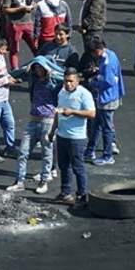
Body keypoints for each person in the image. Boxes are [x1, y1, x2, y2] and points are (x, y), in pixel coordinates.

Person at [8, 56, 62, 194]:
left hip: (48, 120)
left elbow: (65, 77)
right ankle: (19, 181)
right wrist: (27, 65)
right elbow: (13, 74)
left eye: (40, 67)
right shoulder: (32, 78)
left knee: (46, 152)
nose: (38, 70)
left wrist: (51, 74)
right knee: (23, 152)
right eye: (36, 68)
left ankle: (44, 180)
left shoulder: (55, 79)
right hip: (33, 120)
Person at [53, 68, 95, 206]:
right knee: (64, 166)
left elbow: (92, 113)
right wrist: (52, 130)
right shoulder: (62, 92)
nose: (68, 84)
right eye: (66, 81)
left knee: (78, 167)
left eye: (71, 81)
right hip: (62, 135)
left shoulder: (84, 94)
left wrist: (72, 112)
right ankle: (65, 193)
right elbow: (57, 113)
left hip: (77, 138)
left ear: (78, 81)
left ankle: (82, 195)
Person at [84, 36, 125, 165]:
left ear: (96, 51)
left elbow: (108, 81)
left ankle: (108, 156)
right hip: (108, 96)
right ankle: (90, 151)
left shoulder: (107, 62)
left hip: (107, 98)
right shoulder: (110, 54)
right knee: (96, 124)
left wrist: (93, 82)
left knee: (106, 128)